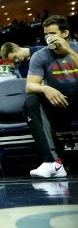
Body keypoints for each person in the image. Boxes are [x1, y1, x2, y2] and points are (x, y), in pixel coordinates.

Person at [25, 15, 78, 178]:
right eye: (46, 34)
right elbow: (29, 86)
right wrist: (46, 88)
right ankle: (53, 162)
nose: (49, 37)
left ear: (65, 33)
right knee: (32, 101)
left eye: (53, 33)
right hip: (58, 105)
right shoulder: (40, 55)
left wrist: (69, 51)